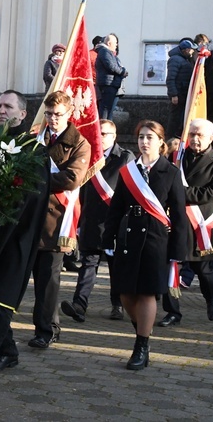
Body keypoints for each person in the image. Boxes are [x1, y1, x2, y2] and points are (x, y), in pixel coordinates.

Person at [0, 90, 50, 385]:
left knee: (1, 299)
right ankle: (9, 350)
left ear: (23, 114)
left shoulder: (34, 151)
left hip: (17, 237)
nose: (1, 111)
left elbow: (33, 196)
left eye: (8, 106)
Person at [103, 120, 188, 370]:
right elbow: (116, 208)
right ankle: (143, 330)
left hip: (155, 239)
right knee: (125, 292)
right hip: (128, 236)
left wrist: (177, 251)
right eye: (141, 137)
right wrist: (108, 237)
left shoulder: (170, 171)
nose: (144, 141)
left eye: (150, 137)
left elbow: (180, 215)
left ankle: (141, 345)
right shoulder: (128, 171)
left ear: (161, 142)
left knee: (147, 292)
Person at [29, 91, 91, 350]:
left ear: (69, 114)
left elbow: (72, 178)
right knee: (28, 277)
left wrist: (36, 180)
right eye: (49, 113)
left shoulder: (79, 143)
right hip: (31, 217)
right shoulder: (35, 138)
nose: (52, 119)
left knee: (48, 281)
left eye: (58, 114)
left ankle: (47, 329)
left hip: (57, 222)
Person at [157, 119, 213, 327]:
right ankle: (172, 311)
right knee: (172, 265)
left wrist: (178, 192)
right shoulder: (177, 156)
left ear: (211, 138)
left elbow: (211, 193)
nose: (195, 139)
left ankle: (211, 297)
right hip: (177, 219)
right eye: (192, 134)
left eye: (200, 135)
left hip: (201, 223)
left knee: (203, 269)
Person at [60, 119, 134, 323]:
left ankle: (117, 305)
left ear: (114, 136)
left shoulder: (125, 157)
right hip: (92, 220)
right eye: (98, 133)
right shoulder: (88, 156)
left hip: (115, 223)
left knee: (115, 266)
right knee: (88, 265)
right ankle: (79, 305)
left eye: (105, 134)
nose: (100, 137)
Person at [166, 39, 197, 139]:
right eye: (192, 50)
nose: (193, 52)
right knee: (175, 117)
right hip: (179, 93)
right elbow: (170, 78)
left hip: (183, 92)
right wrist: (174, 94)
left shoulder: (184, 59)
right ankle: (170, 137)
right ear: (186, 50)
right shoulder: (175, 60)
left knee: (180, 116)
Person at [95, 33, 128, 120]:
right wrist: (123, 72)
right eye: (116, 42)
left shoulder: (108, 52)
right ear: (109, 43)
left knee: (108, 110)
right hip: (108, 84)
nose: (117, 45)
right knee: (105, 110)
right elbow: (111, 66)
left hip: (111, 84)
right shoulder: (104, 51)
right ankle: (103, 130)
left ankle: (107, 128)